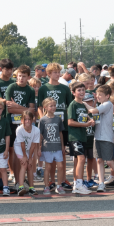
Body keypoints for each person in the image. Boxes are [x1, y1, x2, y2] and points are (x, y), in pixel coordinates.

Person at [37, 63, 73, 192]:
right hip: (48, 124)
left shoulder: (65, 88)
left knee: (61, 153)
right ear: (49, 74)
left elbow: (70, 106)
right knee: (49, 155)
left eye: (59, 72)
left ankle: (62, 180)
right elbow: (39, 107)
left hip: (61, 124)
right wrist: (43, 120)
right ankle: (51, 180)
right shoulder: (43, 88)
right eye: (55, 72)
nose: (58, 74)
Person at [88, 86, 114, 192]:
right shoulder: (101, 105)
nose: (97, 96)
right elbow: (96, 117)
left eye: (100, 95)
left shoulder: (107, 104)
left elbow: (93, 110)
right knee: (99, 160)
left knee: (109, 161)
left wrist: (84, 103)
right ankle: (101, 184)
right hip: (97, 137)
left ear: (107, 96)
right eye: (97, 94)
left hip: (106, 137)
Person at [38, 98, 65, 194]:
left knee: (61, 166)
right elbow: (40, 135)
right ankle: (46, 186)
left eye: (54, 105)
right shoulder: (42, 120)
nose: (53, 107)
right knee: (48, 167)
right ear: (45, 107)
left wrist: (62, 146)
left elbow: (60, 133)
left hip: (57, 146)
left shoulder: (58, 119)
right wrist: (39, 148)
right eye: (51, 106)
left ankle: (59, 185)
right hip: (47, 147)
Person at [14, 110, 41, 195]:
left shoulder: (36, 130)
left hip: (29, 148)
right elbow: (22, 144)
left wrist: (30, 158)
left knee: (30, 165)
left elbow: (33, 145)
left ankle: (31, 187)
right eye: (25, 119)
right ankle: (21, 187)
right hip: (19, 147)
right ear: (22, 120)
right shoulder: (19, 129)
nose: (27, 121)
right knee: (24, 164)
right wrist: (25, 156)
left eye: (29, 119)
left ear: (32, 120)